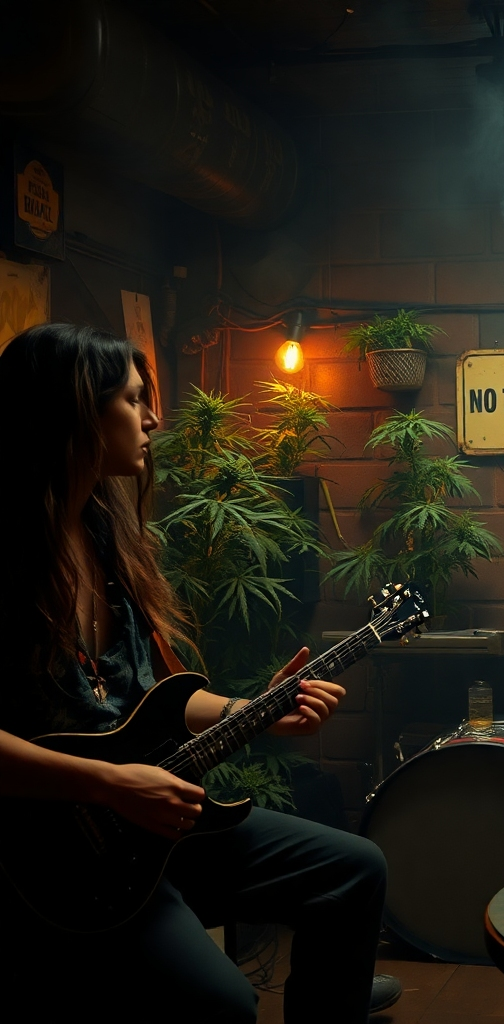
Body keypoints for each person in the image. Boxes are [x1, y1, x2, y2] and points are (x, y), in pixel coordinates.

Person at [0, 323, 391, 1022]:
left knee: (354, 870)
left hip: (144, 826)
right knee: (224, 1006)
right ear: (76, 414)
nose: (153, 418)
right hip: (58, 865)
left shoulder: (105, 538)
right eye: (131, 399)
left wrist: (256, 707)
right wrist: (111, 783)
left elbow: (158, 701)